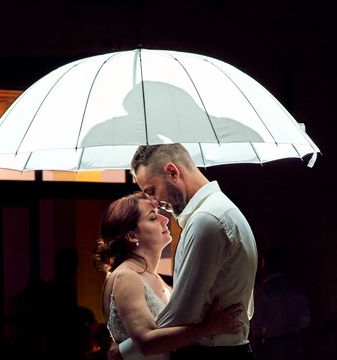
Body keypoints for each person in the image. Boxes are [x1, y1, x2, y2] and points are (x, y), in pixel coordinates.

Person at [109, 144, 258, 360]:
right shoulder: (222, 210)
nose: (155, 203)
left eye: (151, 190)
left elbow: (180, 315)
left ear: (172, 172)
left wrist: (125, 351)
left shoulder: (207, 221)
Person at [94, 191, 243, 360]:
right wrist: (208, 328)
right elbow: (147, 342)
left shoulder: (155, 278)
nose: (164, 219)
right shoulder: (127, 276)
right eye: (152, 217)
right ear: (131, 235)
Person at [251, 246, 311, 360]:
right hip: (293, 344)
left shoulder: (261, 291)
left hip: (271, 346)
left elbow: (257, 324)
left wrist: (257, 349)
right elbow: (305, 322)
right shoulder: (296, 289)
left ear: (266, 264)